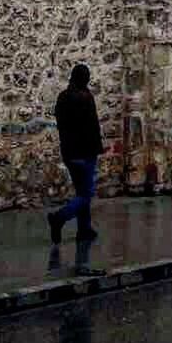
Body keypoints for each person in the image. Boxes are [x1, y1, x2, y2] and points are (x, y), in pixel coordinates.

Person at [48, 63, 104, 244]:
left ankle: (84, 229)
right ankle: (59, 218)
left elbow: (61, 125)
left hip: (70, 153)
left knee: (81, 191)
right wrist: (97, 148)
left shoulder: (62, 97)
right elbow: (92, 127)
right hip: (85, 153)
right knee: (86, 194)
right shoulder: (86, 98)